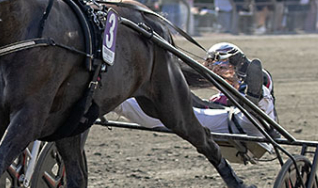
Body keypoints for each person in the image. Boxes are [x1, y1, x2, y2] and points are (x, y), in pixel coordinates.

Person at [114, 42, 275, 138]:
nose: (216, 70)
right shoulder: (219, 98)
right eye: (212, 66)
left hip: (258, 125)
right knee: (175, 112)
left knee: (259, 96)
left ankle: (252, 102)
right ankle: (117, 100)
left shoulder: (259, 77)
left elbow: (265, 86)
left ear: (236, 63)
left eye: (219, 65)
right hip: (227, 122)